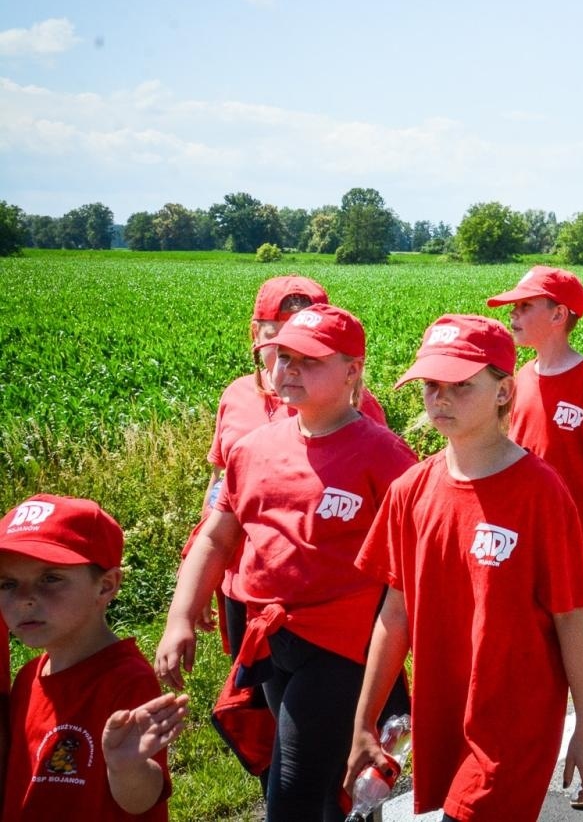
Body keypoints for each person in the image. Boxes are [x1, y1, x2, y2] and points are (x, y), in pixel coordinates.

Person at [157, 304, 415, 821]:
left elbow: (414, 563)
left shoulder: (385, 456)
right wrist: (179, 618)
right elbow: (216, 535)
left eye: (310, 360)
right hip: (272, 639)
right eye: (283, 356)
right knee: (320, 783)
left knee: (291, 784)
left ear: (352, 372)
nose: (290, 368)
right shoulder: (252, 450)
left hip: (341, 646)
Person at [346, 314, 583, 821]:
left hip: (516, 721)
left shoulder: (540, 493)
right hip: (443, 711)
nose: (440, 399)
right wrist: (364, 720)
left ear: (504, 391)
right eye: (431, 386)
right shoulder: (410, 492)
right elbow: (394, 613)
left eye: (461, 387)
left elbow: (572, 618)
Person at [488, 266, 583, 808]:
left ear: (559, 315)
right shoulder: (516, 381)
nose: (514, 316)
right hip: (528, 551)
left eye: (525, 307)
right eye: (513, 307)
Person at [202, 276, 387, 662]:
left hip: (322, 600)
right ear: (257, 334)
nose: (292, 357)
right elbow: (219, 485)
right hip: (244, 581)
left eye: (309, 344)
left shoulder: (358, 411)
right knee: (256, 705)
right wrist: (202, 577)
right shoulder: (236, 397)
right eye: (280, 339)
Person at [0, 494, 186, 821]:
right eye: (8, 584)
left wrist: (127, 767)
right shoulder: (28, 678)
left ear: (106, 586)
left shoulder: (125, 679)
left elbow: (142, 800)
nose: (24, 599)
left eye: (50, 578)